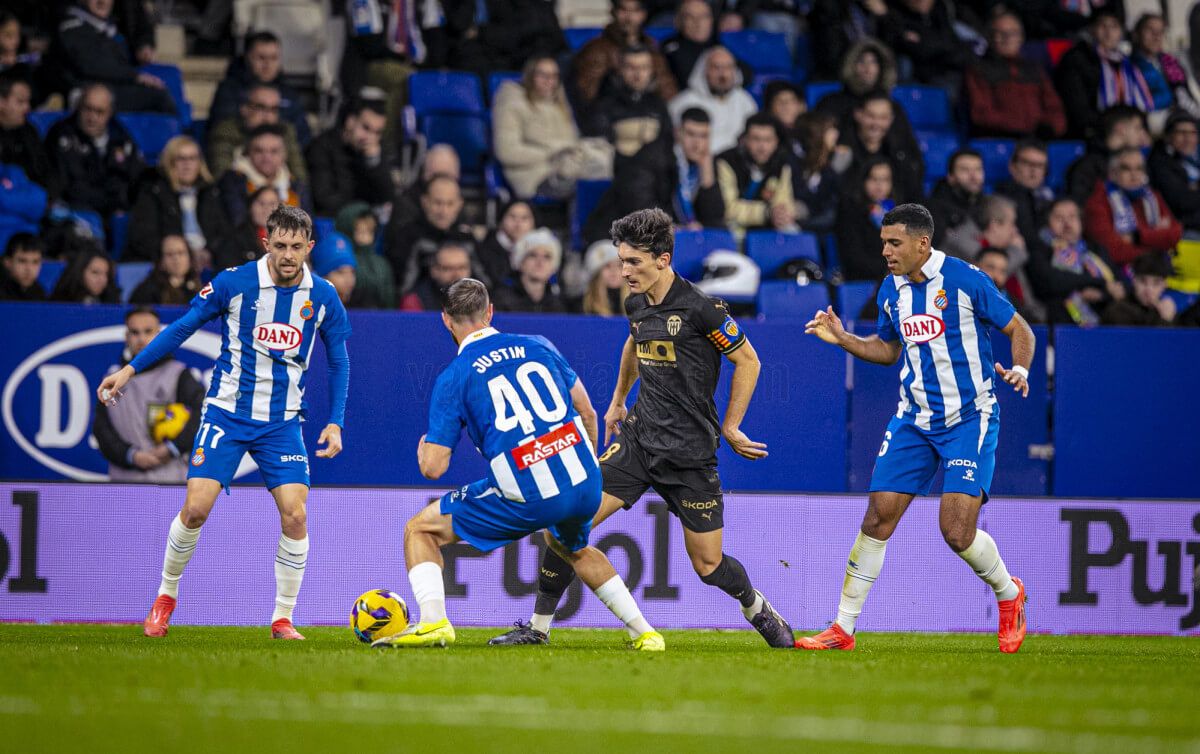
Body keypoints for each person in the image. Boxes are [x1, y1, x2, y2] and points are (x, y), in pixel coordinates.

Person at [490, 208, 794, 649]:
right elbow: (634, 342)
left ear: (663, 260)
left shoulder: (702, 309)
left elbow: (748, 360)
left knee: (708, 566)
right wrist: (618, 400)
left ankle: (755, 607)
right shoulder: (636, 303)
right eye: (621, 261)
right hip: (637, 441)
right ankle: (537, 628)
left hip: (689, 454)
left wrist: (732, 426)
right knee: (565, 525)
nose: (624, 271)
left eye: (634, 262)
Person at [97, 205, 351, 641]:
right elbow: (182, 327)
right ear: (266, 242)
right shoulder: (235, 283)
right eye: (280, 245)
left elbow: (339, 360)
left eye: (297, 247)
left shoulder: (324, 295)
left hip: (282, 423)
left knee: (295, 515)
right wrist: (130, 370)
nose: (288, 255)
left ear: (310, 247)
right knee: (195, 510)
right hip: (227, 414)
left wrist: (336, 421)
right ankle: (166, 595)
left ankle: (282, 618)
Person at [375, 278, 663, 650]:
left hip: (528, 489)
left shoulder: (455, 376)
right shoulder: (537, 345)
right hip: (585, 479)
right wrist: (586, 466)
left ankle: (433, 622)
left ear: (445, 319)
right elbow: (588, 412)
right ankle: (646, 633)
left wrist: (423, 450)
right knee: (571, 546)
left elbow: (434, 467)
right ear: (490, 312)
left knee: (420, 530)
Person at [801, 202, 1033, 653]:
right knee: (878, 516)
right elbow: (888, 350)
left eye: (894, 243)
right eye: (883, 243)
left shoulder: (966, 280)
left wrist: (1020, 369)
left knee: (957, 532)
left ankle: (1009, 593)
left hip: (969, 419)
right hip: (914, 419)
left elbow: (1020, 329)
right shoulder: (891, 289)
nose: (885, 251)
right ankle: (843, 629)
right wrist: (844, 338)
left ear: (922, 243)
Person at [93, 307, 205, 482]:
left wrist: (172, 448)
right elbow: (101, 429)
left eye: (148, 331)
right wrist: (131, 456)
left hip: (171, 482)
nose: (141, 339)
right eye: (135, 332)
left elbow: (203, 415)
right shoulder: (111, 380)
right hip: (123, 485)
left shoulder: (179, 375)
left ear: (160, 335)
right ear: (126, 336)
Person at [493, 56, 594, 200]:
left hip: (567, 171)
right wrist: (552, 151)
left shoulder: (560, 103)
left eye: (554, 76)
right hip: (533, 176)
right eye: (543, 75)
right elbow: (507, 152)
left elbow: (572, 142)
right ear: (530, 76)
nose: (549, 81)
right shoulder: (512, 102)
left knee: (609, 182)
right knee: (586, 191)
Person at [54, 0, 175, 114]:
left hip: (113, 85)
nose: (103, 2)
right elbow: (93, 65)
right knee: (158, 96)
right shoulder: (72, 26)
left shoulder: (107, 26)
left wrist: (144, 47)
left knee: (169, 79)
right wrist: (135, 76)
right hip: (87, 91)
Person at [45, 82, 144, 218]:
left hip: (117, 213)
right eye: (88, 109)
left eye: (99, 112)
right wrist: (112, 203)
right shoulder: (62, 135)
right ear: (79, 107)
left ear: (110, 112)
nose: (92, 118)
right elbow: (70, 188)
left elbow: (136, 178)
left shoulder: (120, 136)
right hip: (78, 213)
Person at [965, 10, 1066, 139]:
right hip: (1000, 139)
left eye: (1013, 33)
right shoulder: (978, 70)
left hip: (1038, 140)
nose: (1007, 38)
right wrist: (1025, 127)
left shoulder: (1035, 70)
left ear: (1021, 38)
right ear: (989, 37)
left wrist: (1049, 127)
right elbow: (981, 114)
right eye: (1000, 33)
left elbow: (1055, 109)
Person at [127, 135, 228, 265]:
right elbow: (144, 237)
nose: (187, 164)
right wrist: (185, 255)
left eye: (193, 158)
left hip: (210, 261)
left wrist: (210, 251)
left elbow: (224, 233)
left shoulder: (211, 193)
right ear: (169, 162)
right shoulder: (153, 193)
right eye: (181, 159)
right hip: (170, 262)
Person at [1055, 10, 1151, 141]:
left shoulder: (1127, 65)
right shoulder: (1076, 59)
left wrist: (1141, 129)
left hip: (1125, 130)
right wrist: (1110, 127)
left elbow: (1140, 106)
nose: (1108, 33)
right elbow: (1078, 108)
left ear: (1121, 32)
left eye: (1114, 27)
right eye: (1103, 26)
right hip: (1093, 132)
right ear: (1092, 29)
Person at [1028, 197, 1124, 326]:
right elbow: (1052, 282)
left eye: (1072, 217)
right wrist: (1097, 282)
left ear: (1081, 221)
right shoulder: (1041, 249)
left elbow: (1118, 282)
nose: (1067, 223)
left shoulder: (1095, 249)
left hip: (1102, 317)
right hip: (1061, 321)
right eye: (1059, 218)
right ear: (1048, 223)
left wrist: (1102, 294)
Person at [572, 0, 678, 116]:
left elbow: (668, 90)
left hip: (650, 115)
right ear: (613, 12)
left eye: (635, 11)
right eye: (623, 10)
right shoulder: (596, 50)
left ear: (644, 14)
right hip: (612, 116)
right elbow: (588, 95)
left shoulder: (652, 48)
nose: (629, 17)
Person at [209, 31, 311, 145]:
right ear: (247, 57)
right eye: (261, 58)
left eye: (274, 58)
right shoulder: (229, 91)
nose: (268, 64)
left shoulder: (289, 93)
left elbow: (302, 135)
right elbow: (221, 130)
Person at [1084, 147, 1182, 266]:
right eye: (1126, 169)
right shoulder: (1097, 202)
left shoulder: (1152, 196)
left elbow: (1175, 234)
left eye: (1139, 168)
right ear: (1112, 173)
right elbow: (1113, 251)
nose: (1134, 175)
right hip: (1121, 270)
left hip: (1154, 267)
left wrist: (1137, 237)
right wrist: (1157, 241)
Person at [306, 94, 395, 216]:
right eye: (366, 128)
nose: (371, 138)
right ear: (350, 122)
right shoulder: (322, 147)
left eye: (378, 132)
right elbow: (324, 199)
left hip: (366, 221)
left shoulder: (375, 150)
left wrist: (374, 164)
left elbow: (387, 198)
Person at [385, 174, 475, 293]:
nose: (443, 211)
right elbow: (401, 288)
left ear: (459, 204)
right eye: (438, 203)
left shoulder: (467, 238)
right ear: (424, 202)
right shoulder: (407, 237)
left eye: (450, 204)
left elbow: (486, 285)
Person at [206, 83, 308, 185]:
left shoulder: (285, 131)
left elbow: (299, 175)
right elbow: (222, 176)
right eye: (261, 107)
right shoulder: (227, 131)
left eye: (273, 109)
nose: (267, 116)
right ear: (244, 108)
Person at [716, 113, 795, 240]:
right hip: (732, 229)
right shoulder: (726, 162)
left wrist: (783, 214)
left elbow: (784, 201)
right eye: (756, 139)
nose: (762, 147)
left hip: (768, 227)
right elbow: (728, 209)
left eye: (768, 140)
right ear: (745, 139)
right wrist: (766, 213)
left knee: (792, 232)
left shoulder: (781, 164)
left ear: (776, 142)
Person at [668, 46, 757, 155]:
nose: (723, 75)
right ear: (704, 70)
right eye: (716, 67)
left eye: (728, 67)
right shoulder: (683, 103)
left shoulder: (745, 100)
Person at [840, 92, 925, 205]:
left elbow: (913, 194)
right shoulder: (843, 152)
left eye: (883, 117)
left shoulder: (901, 155)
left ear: (891, 119)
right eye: (871, 116)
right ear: (858, 115)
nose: (876, 124)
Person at [218, 124, 313, 225]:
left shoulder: (297, 186)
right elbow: (237, 222)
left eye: (274, 151)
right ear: (248, 152)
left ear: (284, 154)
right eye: (259, 151)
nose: (267, 158)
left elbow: (308, 227)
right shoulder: (233, 181)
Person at [1065, 105, 1150, 202]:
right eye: (1138, 128)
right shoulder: (1087, 168)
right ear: (1121, 129)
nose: (1142, 134)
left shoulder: (1139, 159)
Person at [1130, 14, 1200, 122]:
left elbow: (1183, 96)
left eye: (1160, 31)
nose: (1156, 36)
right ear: (1136, 34)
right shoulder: (1129, 66)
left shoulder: (1170, 62)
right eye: (1150, 30)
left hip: (1182, 118)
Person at [837, 157, 897, 282]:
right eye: (874, 179)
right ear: (864, 181)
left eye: (885, 180)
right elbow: (854, 258)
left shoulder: (898, 213)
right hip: (862, 280)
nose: (879, 185)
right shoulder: (850, 212)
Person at [0, 70, 54, 198]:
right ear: (1, 102)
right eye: (20, 102)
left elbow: (44, 171)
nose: (27, 108)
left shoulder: (28, 131)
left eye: (28, 102)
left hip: (28, 199)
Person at [792, 112, 849, 234]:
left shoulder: (834, 163)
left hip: (822, 225)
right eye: (830, 129)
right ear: (816, 133)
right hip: (798, 224)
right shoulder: (793, 162)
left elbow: (829, 201)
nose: (836, 134)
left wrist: (835, 170)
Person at [809, 0, 891, 81]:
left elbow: (891, 46)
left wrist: (884, 16)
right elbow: (831, 49)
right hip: (841, 69)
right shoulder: (830, 7)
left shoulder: (883, 7)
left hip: (878, 68)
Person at [995, 140, 1055, 250]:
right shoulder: (1002, 199)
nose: (1033, 170)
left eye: (1040, 165)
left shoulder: (1049, 197)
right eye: (1027, 163)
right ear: (1012, 166)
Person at [335, 201, 395, 309]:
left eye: (369, 231)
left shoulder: (381, 264)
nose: (365, 238)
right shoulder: (340, 261)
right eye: (359, 232)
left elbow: (389, 298)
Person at [493, 228, 568, 313]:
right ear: (520, 262)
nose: (540, 262)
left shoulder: (558, 303)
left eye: (547, 257)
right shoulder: (502, 300)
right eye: (533, 255)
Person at [1147, 110, 1200, 231]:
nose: (1188, 139)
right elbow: (1183, 202)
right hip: (1185, 232)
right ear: (1168, 136)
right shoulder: (1159, 161)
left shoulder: (1189, 158)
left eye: (1193, 133)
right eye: (1182, 133)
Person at [928, 148, 985, 253]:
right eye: (965, 170)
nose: (973, 176)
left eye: (978, 169)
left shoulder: (987, 205)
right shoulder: (934, 209)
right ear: (951, 177)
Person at [1102, 252, 1176, 326]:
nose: (1149, 289)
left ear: (1164, 285)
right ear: (1134, 281)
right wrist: (1166, 321)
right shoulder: (1118, 312)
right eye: (1143, 281)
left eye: (1156, 283)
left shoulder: (1166, 311)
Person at [213, 185, 278, 269]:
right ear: (250, 206)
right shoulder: (234, 239)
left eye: (272, 204)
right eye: (261, 203)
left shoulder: (288, 238)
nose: (266, 209)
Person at [130, 234, 202, 305]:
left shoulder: (197, 288)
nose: (176, 259)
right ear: (160, 261)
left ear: (189, 258)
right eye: (169, 254)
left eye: (181, 253)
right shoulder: (147, 292)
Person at [476, 199, 535, 288]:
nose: (518, 223)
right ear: (501, 220)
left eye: (524, 218)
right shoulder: (485, 249)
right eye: (512, 217)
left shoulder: (541, 249)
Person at [400, 241, 473, 311]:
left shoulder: (479, 297)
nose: (456, 274)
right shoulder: (415, 301)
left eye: (462, 267)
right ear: (434, 271)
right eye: (448, 268)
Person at [50, 244, 120, 303]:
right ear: (79, 272)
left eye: (106, 274)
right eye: (95, 272)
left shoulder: (111, 300)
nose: (102, 280)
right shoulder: (61, 301)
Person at [311, 231, 362, 307]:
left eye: (352, 272)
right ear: (322, 276)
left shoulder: (360, 303)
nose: (349, 279)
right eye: (340, 272)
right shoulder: (309, 308)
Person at [581, 239, 626, 316]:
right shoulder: (584, 306)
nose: (614, 271)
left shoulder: (640, 303)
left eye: (619, 266)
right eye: (607, 266)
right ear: (596, 274)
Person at [0, 231, 46, 300]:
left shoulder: (39, 292)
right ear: (7, 262)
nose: (29, 269)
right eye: (22, 261)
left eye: (35, 262)